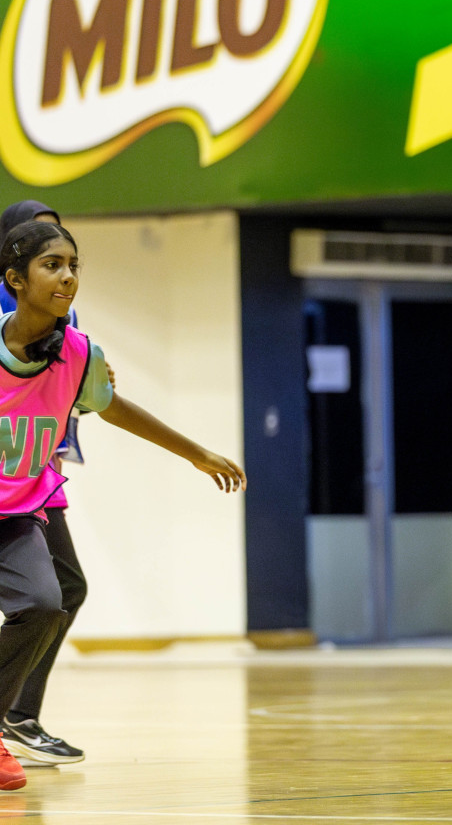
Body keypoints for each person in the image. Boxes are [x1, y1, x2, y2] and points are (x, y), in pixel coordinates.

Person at [0, 219, 244, 790]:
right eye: (51, 266)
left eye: (73, 266)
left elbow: (113, 408)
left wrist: (195, 453)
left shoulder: (80, 354)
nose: (67, 277)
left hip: (16, 515)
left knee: (44, 603)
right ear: (14, 279)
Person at [0, 200, 89, 766]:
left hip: (30, 477)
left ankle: (17, 713)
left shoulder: (68, 326)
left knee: (56, 594)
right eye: (46, 246)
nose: (64, 271)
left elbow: (86, 391)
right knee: (47, 596)